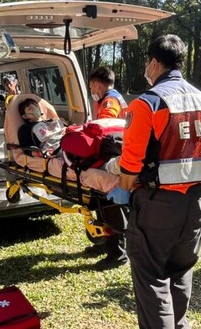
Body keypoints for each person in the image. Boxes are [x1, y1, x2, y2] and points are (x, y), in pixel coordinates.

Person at [112, 34, 201, 328]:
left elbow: (130, 166)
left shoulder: (147, 103)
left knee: (151, 278)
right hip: (199, 201)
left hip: (158, 205)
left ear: (153, 62)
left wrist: (121, 184)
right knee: (181, 269)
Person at [86, 66, 128, 270]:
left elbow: (105, 125)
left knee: (110, 202)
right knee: (101, 199)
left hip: (113, 155)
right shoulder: (109, 98)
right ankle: (105, 243)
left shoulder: (110, 101)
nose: (92, 89)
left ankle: (117, 253)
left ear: (97, 84)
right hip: (113, 152)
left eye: (92, 85)